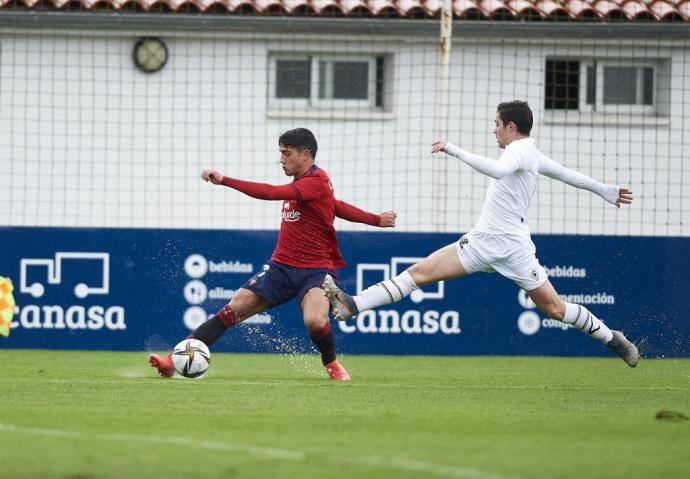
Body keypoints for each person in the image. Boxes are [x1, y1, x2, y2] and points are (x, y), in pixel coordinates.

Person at [323, 100, 639, 367]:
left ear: (511, 126)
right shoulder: (529, 153)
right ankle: (354, 305)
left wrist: (452, 149)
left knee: (554, 309)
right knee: (418, 273)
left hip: (514, 249)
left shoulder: (518, 153)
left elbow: (500, 170)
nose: (494, 129)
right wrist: (604, 190)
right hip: (481, 244)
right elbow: (567, 174)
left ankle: (613, 339)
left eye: (497, 124)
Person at [150, 128, 397, 380]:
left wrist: (225, 180)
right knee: (237, 305)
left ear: (306, 155)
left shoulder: (316, 181)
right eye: (281, 152)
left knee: (315, 321)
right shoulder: (309, 184)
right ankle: (172, 360)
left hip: (315, 270)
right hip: (280, 266)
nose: (282, 158)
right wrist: (375, 219)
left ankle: (332, 363)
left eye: (287, 153)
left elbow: (270, 193)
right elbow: (335, 206)